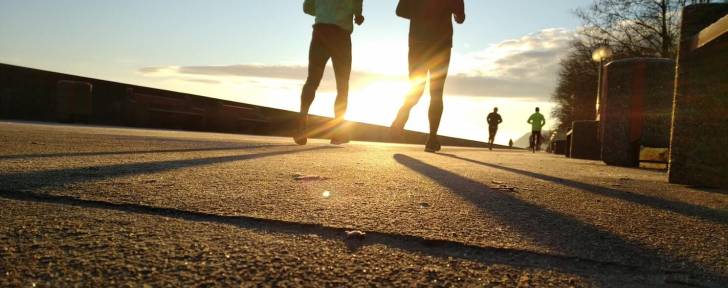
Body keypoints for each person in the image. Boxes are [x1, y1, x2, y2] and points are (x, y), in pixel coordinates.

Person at [390, 0, 465, 152]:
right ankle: (431, 139)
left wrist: (421, 15)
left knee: (416, 88)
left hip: (418, 42)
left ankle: (401, 117)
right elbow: (460, 18)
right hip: (441, 44)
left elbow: (400, 11)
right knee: (436, 92)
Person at [295, 0, 365, 145]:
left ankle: (301, 127)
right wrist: (357, 15)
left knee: (312, 79)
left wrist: (324, 12)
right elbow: (357, 7)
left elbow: (307, 8)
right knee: (342, 84)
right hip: (340, 35)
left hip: (320, 31)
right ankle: (338, 133)